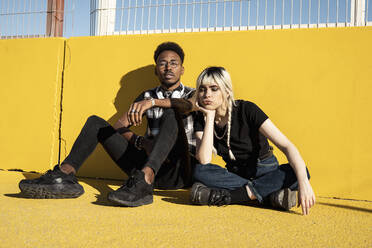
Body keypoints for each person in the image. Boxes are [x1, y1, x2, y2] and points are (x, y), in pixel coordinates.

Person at [19, 42, 198, 207]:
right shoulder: (145, 96)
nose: (168, 67)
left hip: (179, 171)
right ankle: (64, 176)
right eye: (162, 63)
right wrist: (142, 142)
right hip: (145, 163)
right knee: (96, 123)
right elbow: (119, 125)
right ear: (156, 70)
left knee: (171, 112)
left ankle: (146, 178)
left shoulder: (194, 94)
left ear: (182, 69)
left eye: (174, 63)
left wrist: (153, 103)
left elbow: (186, 106)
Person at [189, 66, 315, 215]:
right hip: (236, 175)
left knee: (300, 172)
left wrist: (304, 183)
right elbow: (204, 159)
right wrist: (209, 117)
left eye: (214, 88)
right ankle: (270, 197)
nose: (207, 94)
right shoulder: (201, 117)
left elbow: (287, 146)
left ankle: (231, 197)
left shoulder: (247, 109)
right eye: (202, 89)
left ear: (227, 91)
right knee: (199, 171)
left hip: (265, 170)